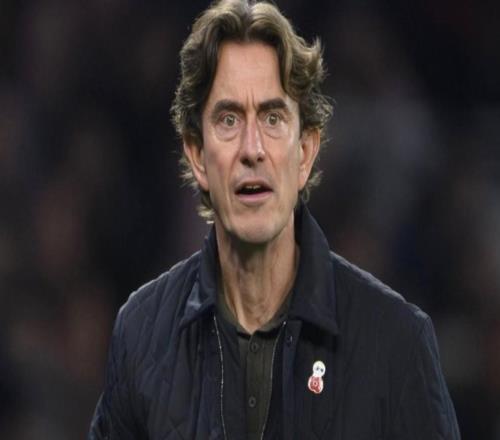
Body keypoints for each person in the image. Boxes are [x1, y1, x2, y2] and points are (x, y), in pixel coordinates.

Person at [89, 0, 461, 439]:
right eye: (229, 119)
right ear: (197, 155)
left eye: (272, 117)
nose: (252, 148)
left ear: (305, 152)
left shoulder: (397, 342)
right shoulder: (141, 333)